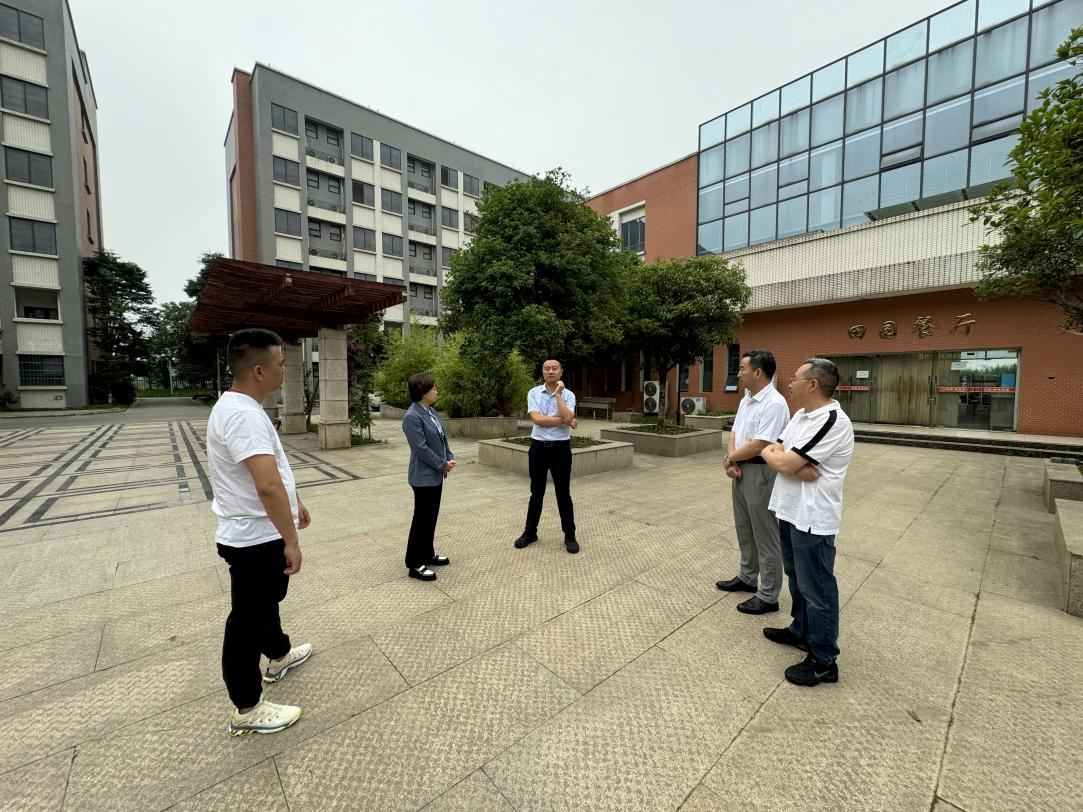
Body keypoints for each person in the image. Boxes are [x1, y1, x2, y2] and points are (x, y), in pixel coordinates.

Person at [206, 328, 313, 736]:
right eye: (281, 363)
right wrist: (292, 540)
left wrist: (294, 502)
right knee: (247, 620)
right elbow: (266, 485)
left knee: (265, 603)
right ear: (258, 370)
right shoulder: (244, 415)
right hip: (254, 537)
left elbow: (271, 475)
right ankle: (247, 707)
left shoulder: (239, 407)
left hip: (257, 528)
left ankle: (279, 654)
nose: (285, 370)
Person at [762, 357, 854, 687]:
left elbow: (783, 460)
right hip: (790, 509)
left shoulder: (832, 421)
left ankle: (823, 660)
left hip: (812, 518)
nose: (789, 383)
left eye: (795, 378)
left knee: (818, 588)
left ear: (812, 384)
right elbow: (773, 449)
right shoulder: (801, 415)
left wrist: (787, 463)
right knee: (796, 576)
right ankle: (800, 630)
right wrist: (790, 463)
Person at [716, 350, 792, 615]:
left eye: (742, 368)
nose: (738, 374)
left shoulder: (775, 403)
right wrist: (732, 460)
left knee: (765, 534)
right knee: (744, 527)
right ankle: (748, 577)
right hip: (741, 469)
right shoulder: (746, 400)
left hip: (761, 472)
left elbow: (761, 443)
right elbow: (735, 432)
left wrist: (730, 458)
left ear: (758, 372)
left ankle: (769, 594)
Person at [513, 359, 580, 553]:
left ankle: (570, 534)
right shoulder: (533, 392)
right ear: (542, 372)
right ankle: (530, 532)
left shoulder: (568, 395)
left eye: (554, 368)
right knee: (536, 492)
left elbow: (567, 417)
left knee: (563, 493)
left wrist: (558, 395)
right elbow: (537, 419)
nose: (550, 371)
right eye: (547, 369)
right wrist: (565, 420)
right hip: (538, 448)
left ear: (561, 372)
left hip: (561, 449)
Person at [402, 372, 455, 581]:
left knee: (430, 517)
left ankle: (427, 554)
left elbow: (442, 437)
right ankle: (414, 564)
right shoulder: (412, 417)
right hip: (423, 476)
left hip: (435, 474)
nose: (436, 391)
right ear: (423, 392)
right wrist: (442, 464)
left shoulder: (430, 411)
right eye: (433, 388)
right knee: (421, 520)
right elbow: (421, 449)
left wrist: (448, 457)